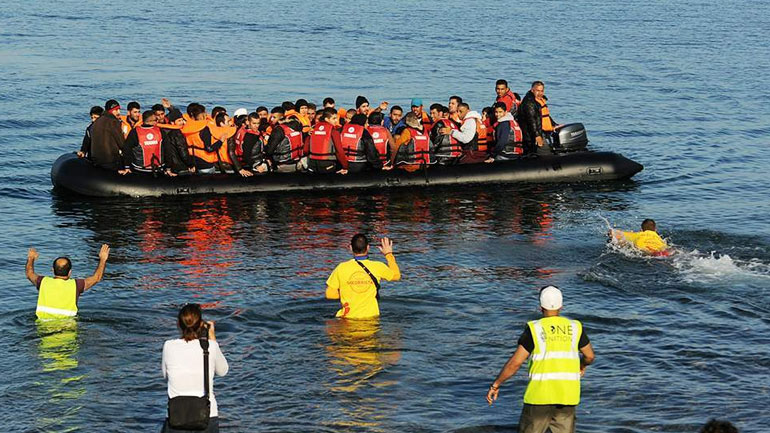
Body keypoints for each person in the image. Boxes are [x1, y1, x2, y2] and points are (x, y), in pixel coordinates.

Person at [486, 286, 595, 433]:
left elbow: (515, 363)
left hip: (539, 397)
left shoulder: (534, 329)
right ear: (561, 306)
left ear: (541, 307)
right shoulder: (575, 327)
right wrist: (582, 365)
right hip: (567, 396)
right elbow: (590, 356)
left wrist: (496, 385)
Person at [162, 304, 229, 433]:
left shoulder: (168, 346)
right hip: (207, 416)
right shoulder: (210, 347)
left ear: (178, 324)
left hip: (176, 415)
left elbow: (165, 375)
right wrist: (212, 337)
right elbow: (223, 371)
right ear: (201, 325)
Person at [325, 234, 400, 319]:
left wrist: (349, 292)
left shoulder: (341, 268)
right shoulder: (378, 266)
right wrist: (388, 254)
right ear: (368, 248)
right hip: (371, 318)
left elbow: (330, 294)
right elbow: (396, 276)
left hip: (347, 319)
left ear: (350, 248)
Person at [25, 244, 110, 320]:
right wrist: (103, 259)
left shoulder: (43, 282)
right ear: (70, 272)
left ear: (53, 270)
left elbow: (29, 274)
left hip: (43, 328)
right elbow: (97, 278)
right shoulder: (76, 285)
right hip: (68, 330)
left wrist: (31, 258)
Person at [120, 110, 174, 175]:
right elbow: (168, 150)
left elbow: (126, 149)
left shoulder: (134, 132)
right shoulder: (161, 132)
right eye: (156, 120)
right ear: (151, 121)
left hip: (139, 169)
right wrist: (168, 168)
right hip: (158, 169)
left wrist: (127, 167)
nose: (157, 121)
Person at [518, 81, 558, 155]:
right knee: (545, 153)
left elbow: (545, 116)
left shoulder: (539, 101)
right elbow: (531, 120)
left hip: (542, 131)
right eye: (538, 91)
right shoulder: (529, 103)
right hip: (533, 135)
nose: (540, 93)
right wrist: (537, 136)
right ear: (532, 90)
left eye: (542, 91)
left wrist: (555, 125)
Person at [305, 108, 348, 174]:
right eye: (334, 118)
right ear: (326, 119)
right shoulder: (334, 132)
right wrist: (345, 166)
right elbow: (339, 151)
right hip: (327, 165)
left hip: (312, 164)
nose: (336, 121)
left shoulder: (313, 129)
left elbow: (305, 150)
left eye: (336, 118)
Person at [90, 99, 125, 170]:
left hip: (96, 160)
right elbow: (121, 143)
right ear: (111, 111)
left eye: (119, 109)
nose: (119, 112)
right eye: (116, 110)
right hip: (110, 160)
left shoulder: (97, 122)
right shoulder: (113, 122)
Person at [230, 112, 269, 176]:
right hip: (253, 162)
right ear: (248, 122)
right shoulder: (250, 136)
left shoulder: (242, 129)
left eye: (258, 123)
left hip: (244, 161)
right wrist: (256, 166)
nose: (256, 126)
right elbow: (246, 154)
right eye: (254, 123)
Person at [160, 108, 196, 175]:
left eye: (182, 120)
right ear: (172, 123)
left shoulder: (166, 131)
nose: (182, 122)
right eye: (179, 121)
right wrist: (190, 164)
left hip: (172, 165)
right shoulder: (177, 134)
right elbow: (183, 151)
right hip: (180, 166)